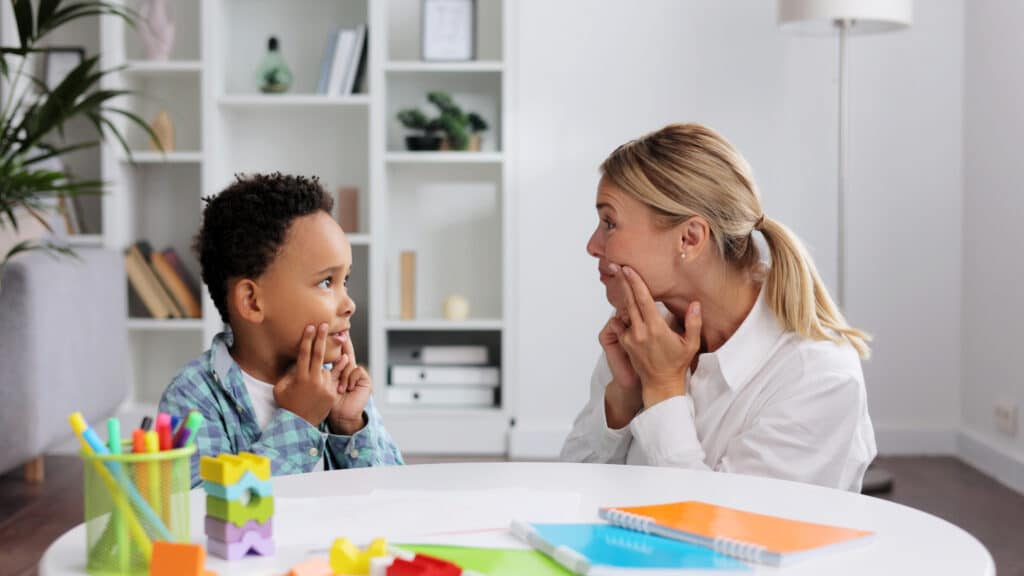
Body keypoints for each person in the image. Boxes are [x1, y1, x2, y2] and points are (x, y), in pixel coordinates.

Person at [561, 123, 876, 492]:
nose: (592, 245)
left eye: (609, 223)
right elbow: (574, 487)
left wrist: (663, 389)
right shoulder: (647, 334)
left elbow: (724, 528)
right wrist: (622, 400)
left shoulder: (818, 376)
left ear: (690, 238)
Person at [160, 173, 403, 487]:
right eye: (327, 282)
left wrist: (349, 425)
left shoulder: (337, 381)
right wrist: (298, 422)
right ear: (253, 301)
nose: (349, 304)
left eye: (346, 281)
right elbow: (200, 512)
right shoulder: (193, 396)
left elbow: (393, 495)